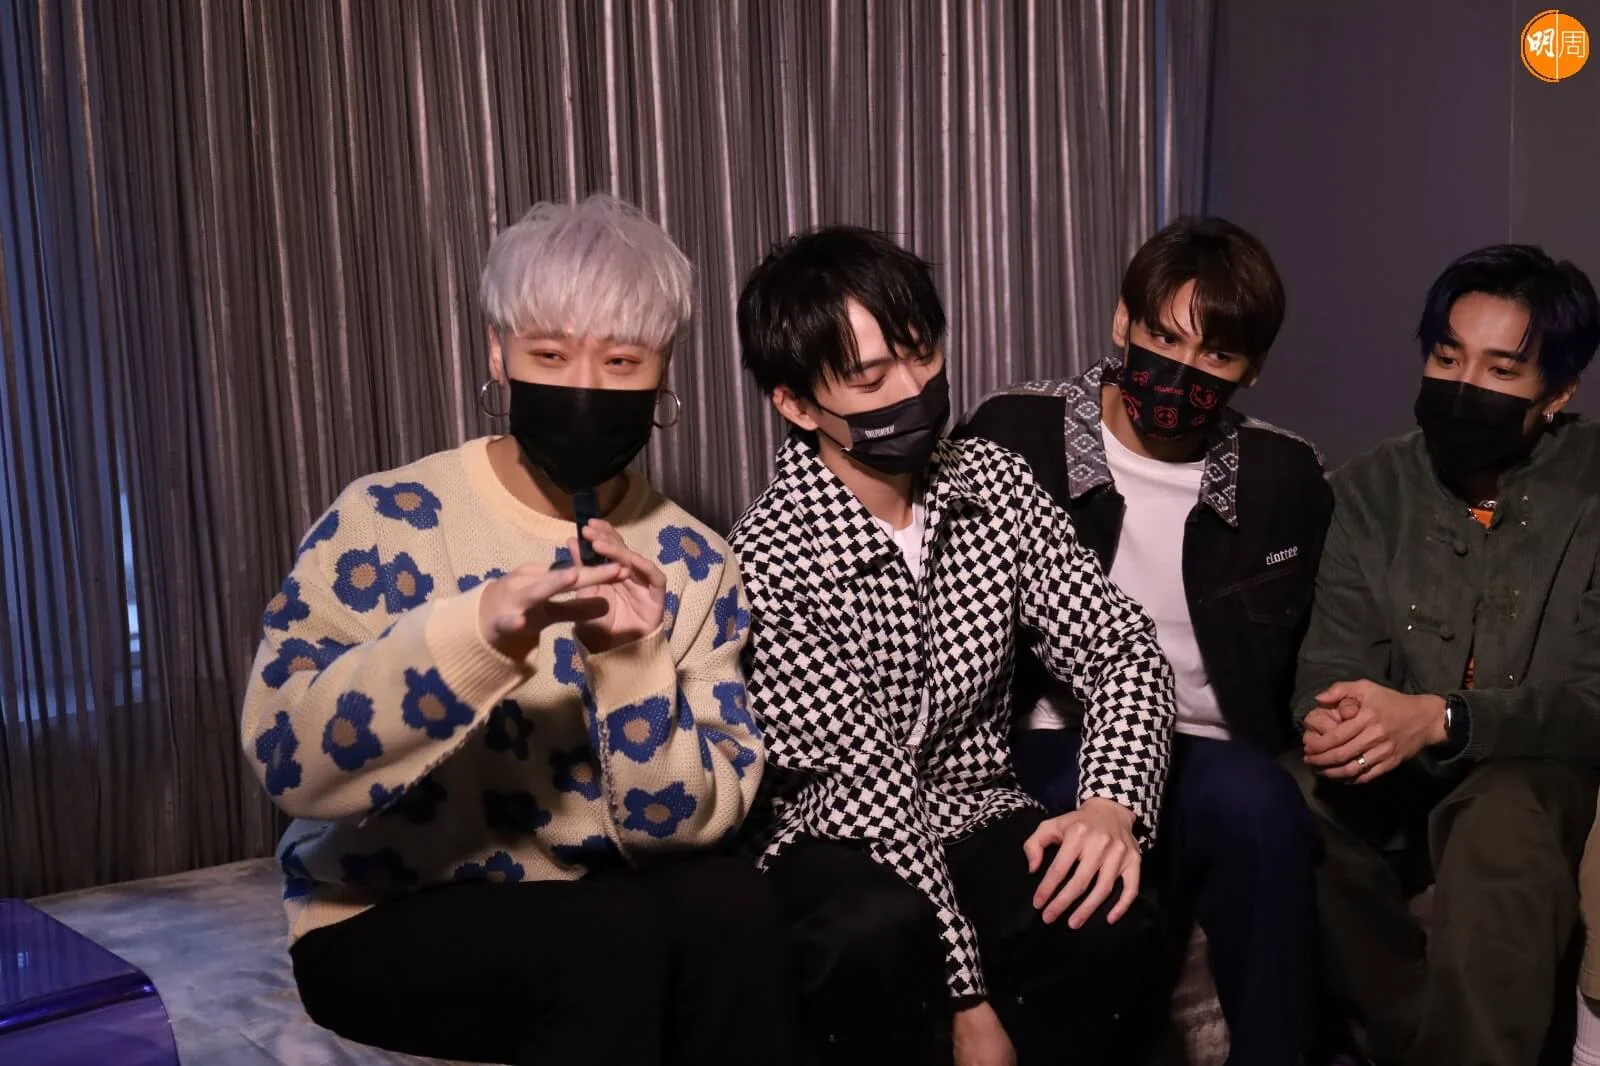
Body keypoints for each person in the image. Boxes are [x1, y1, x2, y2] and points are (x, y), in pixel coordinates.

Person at [238, 195, 787, 1066]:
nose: (585, 386)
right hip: (382, 915)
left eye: (621, 361)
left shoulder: (694, 559)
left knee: (739, 910)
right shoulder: (384, 521)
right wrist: (475, 637)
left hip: (605, 901)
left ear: (663, 374)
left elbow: (686, 830)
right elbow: (287, 763)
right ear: (498, 353)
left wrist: (630, 660)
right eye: (550, 354)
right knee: (612, 937)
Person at [730, 225, 1175, 1066]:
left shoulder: (993, 482)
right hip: (835, 835)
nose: (913, 388)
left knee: (1105, 911)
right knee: (871, 932)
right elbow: (871, 792)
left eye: (922, 353)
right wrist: (970, 1003)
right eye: (871, 378)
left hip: (974, 809)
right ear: (796, 404)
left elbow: (1119, 645)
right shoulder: (768, 557)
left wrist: (1110, 807)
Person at [958, 216, 1331, 1066]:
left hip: (1205, 748)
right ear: (1122, 320)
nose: (1182, 370)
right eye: (1163, 337)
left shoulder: (1285, 476)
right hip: (1047, 738)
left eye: (1216, 355)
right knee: (1089, 874)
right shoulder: (1016, 435)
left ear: (1252, 369)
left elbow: (1318, 643)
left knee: (1264, 809)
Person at [1291, 244, 1600, 1066]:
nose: (1464, 385)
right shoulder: (1366, 491)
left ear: (1558, 394)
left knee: (1502, 817)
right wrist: (1333, 718)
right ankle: (1415, 1043)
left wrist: (1444, 719)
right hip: (1397, 777)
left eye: (1501, 371)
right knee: (1287, 795)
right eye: (1446, 357)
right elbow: (1328, 661)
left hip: (1538, 775)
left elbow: (1588, 701)